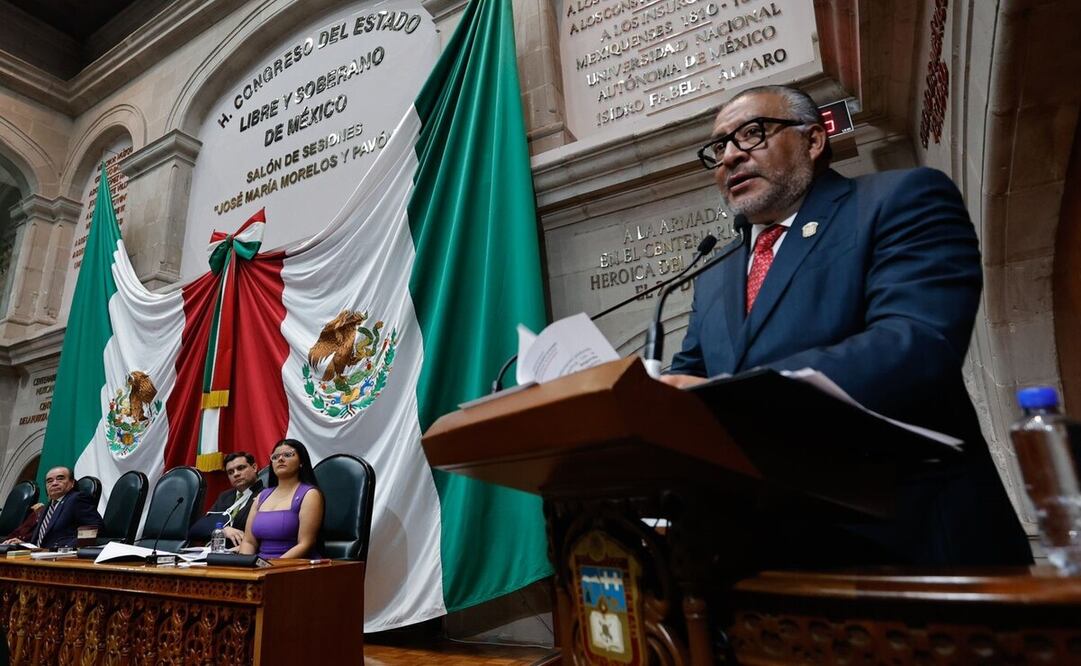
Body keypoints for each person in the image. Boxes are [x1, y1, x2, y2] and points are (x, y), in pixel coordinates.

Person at [661, 84, 1031, 567]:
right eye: (719, 147)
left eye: (752, 134)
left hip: (907, 546)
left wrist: (729, 398)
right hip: (761, 558)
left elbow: (914, 347)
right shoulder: (714, 274)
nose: (729, 156)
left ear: (813, 141)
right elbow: (684, 379)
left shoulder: (898, 200)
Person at [238, 439, 323, 559]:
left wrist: (272, 567)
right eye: (275, 457)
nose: (280, 459)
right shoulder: (262, 496)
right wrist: (244, 567)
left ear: (301, 462)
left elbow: (305, 544)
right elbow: (249, 542)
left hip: (293, 567)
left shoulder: (310, 494)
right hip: (260, 567)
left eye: (288, 455)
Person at [2, 466, 103, 549]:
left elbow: (95, 527)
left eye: (60, 478)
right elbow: (44, 538)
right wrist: (23, 543)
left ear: (72, 483)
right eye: (49, 481)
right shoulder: (48, 506)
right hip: (38, 555)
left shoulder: (76, 499)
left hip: (61, 558)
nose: (54, 483)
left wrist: (66, 547)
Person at [191, 451, 264, 546]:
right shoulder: (225, 496)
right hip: (215, 552)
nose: (236, 474)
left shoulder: (264, 495)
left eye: (241, 468)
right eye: (230, 472)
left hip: (243, 554)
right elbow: (196, 530)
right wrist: (222, 530)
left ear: (254, 467)